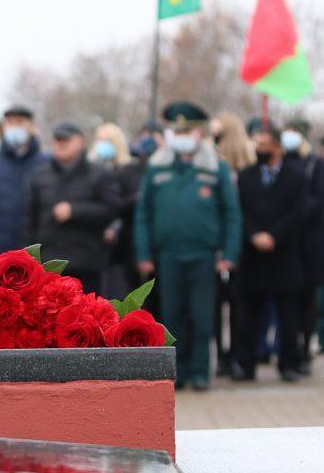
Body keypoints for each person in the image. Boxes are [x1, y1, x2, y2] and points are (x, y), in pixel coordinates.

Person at [134, 103, 241, 391]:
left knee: (203, 317)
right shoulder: (157, 166)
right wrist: (143, 253)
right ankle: (176, 371)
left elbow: (231, 213)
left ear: (199, 133)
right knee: (171, 317)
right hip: (168, 255)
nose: (181, 136)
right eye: (177, 131)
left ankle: (200, 372)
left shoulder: (215, 166)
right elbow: (143, 214)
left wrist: (229, 253)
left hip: (204, 256)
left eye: (187, 131)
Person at [234, 123, 308, 383]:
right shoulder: (246, 176)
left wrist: (274, 236)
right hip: (253, 256)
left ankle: (288, 363)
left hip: (284, 255)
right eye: (257, 145)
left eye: (264, 145)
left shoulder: (296, 176)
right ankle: (246, 364)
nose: (259, 149)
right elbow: (239, 212)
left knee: (288, 316)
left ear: (277, 147)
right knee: (248, 316)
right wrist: (254, 235)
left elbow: (298, 212)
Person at [26, 121, 120, 293]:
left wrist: (75, 211)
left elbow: (112, 209)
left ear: (80, 141)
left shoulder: (99, 174)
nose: (61, 144)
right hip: (48, 263)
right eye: (57, 139)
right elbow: (29, 218)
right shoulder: (39, 175)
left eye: (66, 139)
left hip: (86, 264)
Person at [209, 111, 256, 375]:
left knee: (238, 305)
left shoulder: (242, 165)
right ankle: (225, 356)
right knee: (221, 306)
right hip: (224, 242)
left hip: (239, 243)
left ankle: (235, 355)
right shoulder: (214, 162)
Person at [0, 105, 48, 258]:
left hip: (36, 249)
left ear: (31, 127)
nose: (14, 127)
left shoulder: (46, 162)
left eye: (19, 122)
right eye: (10, 123)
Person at [279, 118, 324, 373]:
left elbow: (316, 201)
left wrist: (293, 213)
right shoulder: (280, 163)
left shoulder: (314, 165)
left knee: (307, 301)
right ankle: (287, 351)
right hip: (287, 243)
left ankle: (304, 350)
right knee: (288, 302)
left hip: (307, 245)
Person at [91, 122, 143, 299]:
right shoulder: (91, 170)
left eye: (108, 140)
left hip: (122, 245)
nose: (102, 144)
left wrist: (115, 224)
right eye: (100, 140)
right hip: (94, 243)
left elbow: (130, 202)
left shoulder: (129, 170)